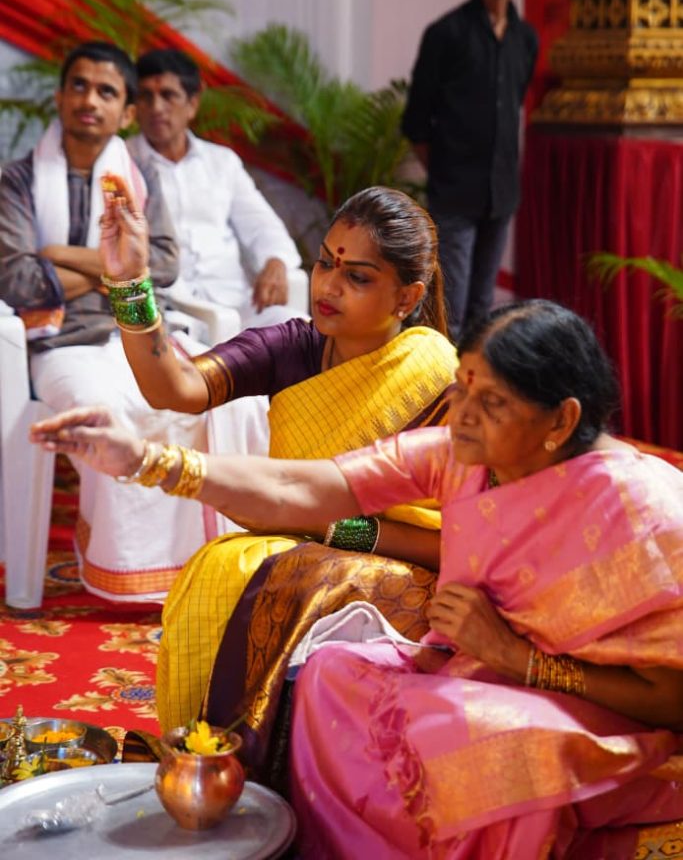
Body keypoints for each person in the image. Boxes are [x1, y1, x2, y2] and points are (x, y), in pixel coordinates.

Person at [31, 300, 683, 858]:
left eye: (491, 402)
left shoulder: (642, 512)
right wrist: (146, 459)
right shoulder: (466, 455)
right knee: (331, 676)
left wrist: (518, 659)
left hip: (605, 721)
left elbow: (671, 698)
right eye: (461, 387)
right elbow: (302, 486)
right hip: (480, 671)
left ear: (561, 422)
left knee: (486, 738)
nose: (460, 415)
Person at [49, 178, 456, 727]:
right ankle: (218, 746)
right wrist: (129, 282)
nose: (328, 285)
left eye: (357, 276)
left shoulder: (438, 378)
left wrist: (333, 529)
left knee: (265, 573)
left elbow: (463, 545)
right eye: (324, 264)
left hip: (412, 575)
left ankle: (251, 747)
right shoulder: (294, 347)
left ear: (407, 297)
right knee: (226, 566)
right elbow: (176, 388)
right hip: (302, 545)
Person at [0, 40, 213, 602]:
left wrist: (57, 254)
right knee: (104, 411)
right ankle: (129, 569)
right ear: (59, 97)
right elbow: (17, 280)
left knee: (206, 400)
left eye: (106, 91)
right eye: (78, 85)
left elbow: (161, 264)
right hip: (59, 340)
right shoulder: (18, 181)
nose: (89, 100)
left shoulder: (138, 178)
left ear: (126, 113)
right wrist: (116, 268)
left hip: (137, 330)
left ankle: (193, 566)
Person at [402, 0, 538, 341]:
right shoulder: (445, 34)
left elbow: (514, 105)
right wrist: (449, 169)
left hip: (502, 195)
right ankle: (441, 383)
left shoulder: (526, 39)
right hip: (454, 196)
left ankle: (475, 380)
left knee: (483, 310)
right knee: (450, 313)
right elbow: (416, 122)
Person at [127, 48, 304, 329]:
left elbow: (262, 225)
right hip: (168, 308)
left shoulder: (221, 162)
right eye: (146, 96)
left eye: (168, 95)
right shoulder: (122, 161)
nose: (156, 107)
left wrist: (275, 261)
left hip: (238, 304)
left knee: (297, 329)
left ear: (192, 104)